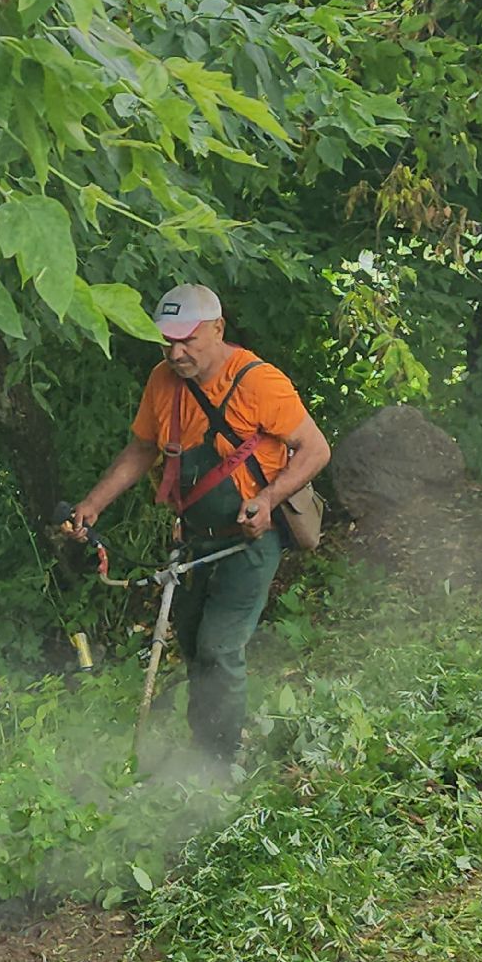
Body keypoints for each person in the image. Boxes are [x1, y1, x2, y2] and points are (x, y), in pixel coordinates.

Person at [69, 284, 330, 765]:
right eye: (167, 342)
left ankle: (220, 762)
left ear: (217, 329)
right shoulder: (162, 382)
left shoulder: (257, 382)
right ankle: (203, 750)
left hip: (250, 541)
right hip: (192, 541)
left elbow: (315, 448)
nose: (176, 353)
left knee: (219, 646)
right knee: (191, 643)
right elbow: (143, 448)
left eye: (187, 340)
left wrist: (267, 499)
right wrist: (93, 504)